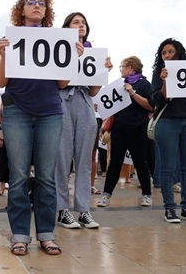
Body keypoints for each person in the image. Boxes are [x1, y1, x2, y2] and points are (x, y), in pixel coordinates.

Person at [0, 0, 83, 256]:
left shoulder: (58, 40)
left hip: (50, 112)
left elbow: (62, 83)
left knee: (47, 177)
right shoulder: (9, 40)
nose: (36, 6)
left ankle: (46, 234)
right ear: (21, 9)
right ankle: (20, 234)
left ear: (47, 10)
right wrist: (4, 56)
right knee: (19, 177)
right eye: (31, 2)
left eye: (41, 3)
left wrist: (74, 59)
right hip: (17, 111)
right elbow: (0, 82)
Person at [55, 12, 112, 230]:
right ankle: (62, 209)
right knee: (62, 158)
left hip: (85, 101)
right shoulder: (59, 50)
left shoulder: (92, 53)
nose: (81, 25)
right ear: (67, 27)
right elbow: (59, 84)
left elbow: (94, 90)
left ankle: (84, 209)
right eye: (75, 22)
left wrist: (102, 72)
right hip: (63, 101)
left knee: (85, 159)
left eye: (83, 22)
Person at [151, 38, 186, 223]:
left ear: (179, 53)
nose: (167, 55)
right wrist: (165, 81)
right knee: (167, 167)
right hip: (167, 122)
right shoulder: (159, 73)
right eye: (164, 53)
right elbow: (158, 99)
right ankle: (169, 208)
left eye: (170, 52)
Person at [97, 56, 154, 208]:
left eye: (122, 66)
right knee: (115, 162)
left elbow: (151, 106)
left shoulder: (144, 84)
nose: (121, 69)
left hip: (138, 129)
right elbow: (109, 105)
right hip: (119, 129)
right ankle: (106, 195)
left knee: (140, 162)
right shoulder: (119, 84)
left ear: (131, 68)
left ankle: (147, 195)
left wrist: (133, 93)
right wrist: (99, 107)